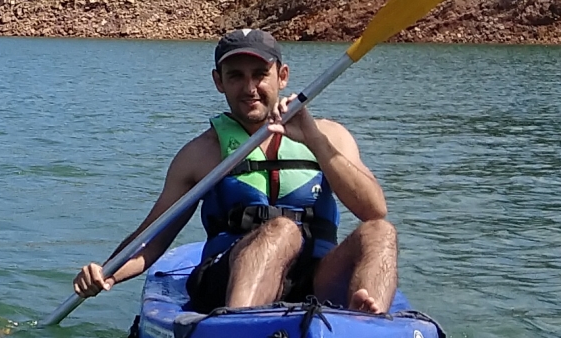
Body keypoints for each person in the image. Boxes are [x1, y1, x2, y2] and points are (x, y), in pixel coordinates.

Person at [71, 28, 397, 314]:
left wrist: (315, 141)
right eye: (236, 76)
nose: (249, 87)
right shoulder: (201, 153)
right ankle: (237, 331)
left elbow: (373, 210)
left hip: (315, 278)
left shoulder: (330, 135)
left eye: (259, 74)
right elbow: (152, 242)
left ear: (282, 76)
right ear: (219, 82)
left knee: (381, 233)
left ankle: (370, 326)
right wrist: (107, 272)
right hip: (228, 277)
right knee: (281, 230)